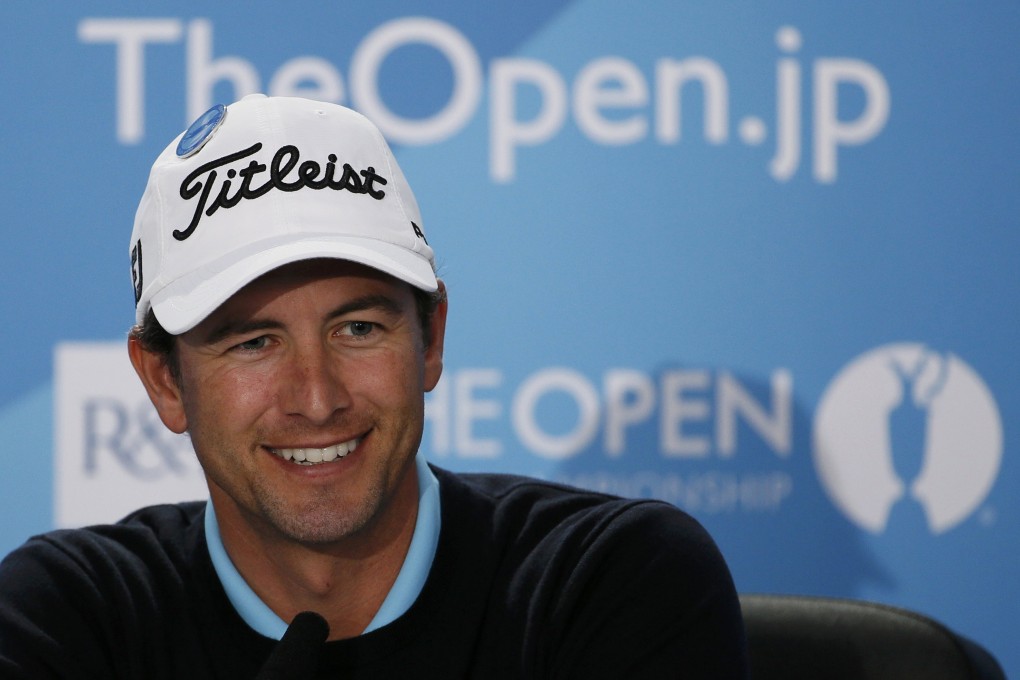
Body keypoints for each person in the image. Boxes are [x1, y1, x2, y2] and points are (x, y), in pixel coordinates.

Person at [0, 94, 748, 678]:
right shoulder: (69, 620)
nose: (318, 397)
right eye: (254, 343)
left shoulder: (606, 583)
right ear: (164, 381)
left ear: (432, 341)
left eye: (358, 329)